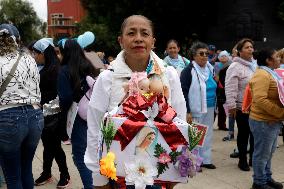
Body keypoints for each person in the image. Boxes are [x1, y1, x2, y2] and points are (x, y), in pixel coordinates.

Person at [85, 15, 186, 189]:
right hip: (118, 175)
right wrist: (99, 178)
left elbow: (180, 124)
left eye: (144, 33)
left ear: (153, 41)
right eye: (131, 33)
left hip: (159, 175)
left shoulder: (169, 76)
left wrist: (176, 170)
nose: (138, 38)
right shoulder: (107, 78)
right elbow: (95, 129)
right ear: (121, 41)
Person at [0, 24, 43, 189]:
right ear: (17, 40)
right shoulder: (28, 58)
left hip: (8, 117)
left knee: (12, 175)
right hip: (35, 116)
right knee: (26, 169)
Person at [57, 39, 99, 189]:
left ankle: (91, 186)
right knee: (94, 153)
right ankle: (97, 184)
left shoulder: (64, 70)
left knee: (80, 156)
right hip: (94, 114)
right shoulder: (89, 66)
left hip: (76, 117)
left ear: (64, 52)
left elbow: (66, 97)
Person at [32, 38, 71, 188]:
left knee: (54, 146)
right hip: (44, 113)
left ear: (44, 53)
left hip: (54, 115)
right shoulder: (45, 67)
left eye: (36, 53)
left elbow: (59, 96)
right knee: (48, 145)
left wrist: (47, 111)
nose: (35, 56)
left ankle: (65, 174)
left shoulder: (56, 69)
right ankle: (46, 172)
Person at [249, 48, 284, 189]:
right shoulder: (262, 75)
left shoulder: (271, 73)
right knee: (262, 154)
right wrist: (280, 113)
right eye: (276, 57)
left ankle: (266, 177)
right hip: (263, 121)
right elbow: (260, 99)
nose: (279, 59)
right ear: (268, 60)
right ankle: (259, 182)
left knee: (268, 153)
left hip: (272, 120)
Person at [180, 42, 217, 170]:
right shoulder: (188, 71)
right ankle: (194, 162)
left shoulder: (210, 68)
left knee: (208, 134)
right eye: (201, 54)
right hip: (196, 109)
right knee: (196, 135)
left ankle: (206, 160)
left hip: (210, 106)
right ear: (194, 56)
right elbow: (183, 91)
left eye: (207, 54)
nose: (205, 56)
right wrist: (188, 111)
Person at [225, 38, 257, 171]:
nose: (250, 49)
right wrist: (231, 106)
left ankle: (252, 159)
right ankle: (242, 160)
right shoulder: (235, 66)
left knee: (255, 134)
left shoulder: (255, 65)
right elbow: (230, 87)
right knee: (244, 134)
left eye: (251, 47)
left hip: (255, 106)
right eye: (246, 47)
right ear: (239, 51)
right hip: (241, 107)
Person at [215, 50, 231, 131]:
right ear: (219, 58)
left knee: (223, 108)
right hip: (217, 88)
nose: (223, 57)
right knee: (214, 108)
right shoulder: (216, 65)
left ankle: (222, 125)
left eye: (225, 56)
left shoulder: (230, 66)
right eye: (222, 56)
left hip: (225, 88)